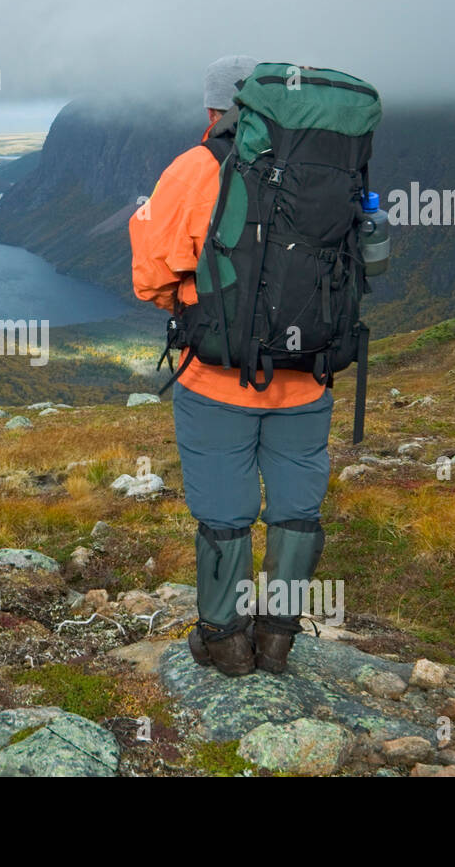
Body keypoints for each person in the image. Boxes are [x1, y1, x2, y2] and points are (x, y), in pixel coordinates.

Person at [129, 57, 333, 676]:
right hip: (305, 374)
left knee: (224, 512)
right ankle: (279, 638)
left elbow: (152, 277)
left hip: (216, 379)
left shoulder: (197, 167)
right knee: (299, 505)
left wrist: (203, 310)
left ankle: (225, 640)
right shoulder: (322, 169)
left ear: (214, 110)